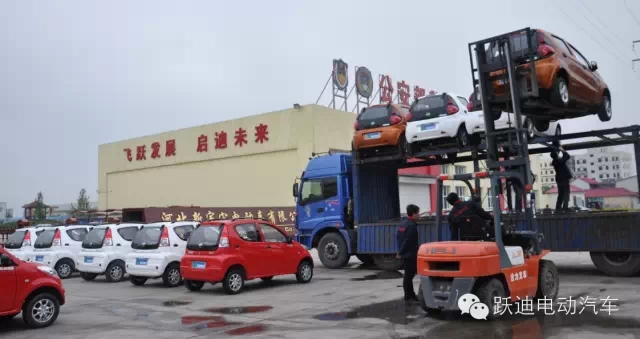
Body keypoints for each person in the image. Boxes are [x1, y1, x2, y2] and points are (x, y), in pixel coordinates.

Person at [396, 204, 420, 304]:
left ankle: (411, 295)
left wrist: (400, 251)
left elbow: (399, 238)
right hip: (410, 254)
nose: (419, 215)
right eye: (418, 213)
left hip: (405, 253)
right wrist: (401, 252)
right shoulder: (411, 226)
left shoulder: (403, 223)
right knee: (409, 276)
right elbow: (408, 241)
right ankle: (408, 296)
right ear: (413, 213)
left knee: (408, 275)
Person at [550, 146, 573, 212]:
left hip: (559, 180)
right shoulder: (559, 161)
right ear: (556, 155)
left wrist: (558, 151)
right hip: (564, 180)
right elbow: (567, 156)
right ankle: (565, 208)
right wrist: (562, 150)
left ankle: (558, 209)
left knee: (560, 195)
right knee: (566, 194)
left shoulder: (554, 162)